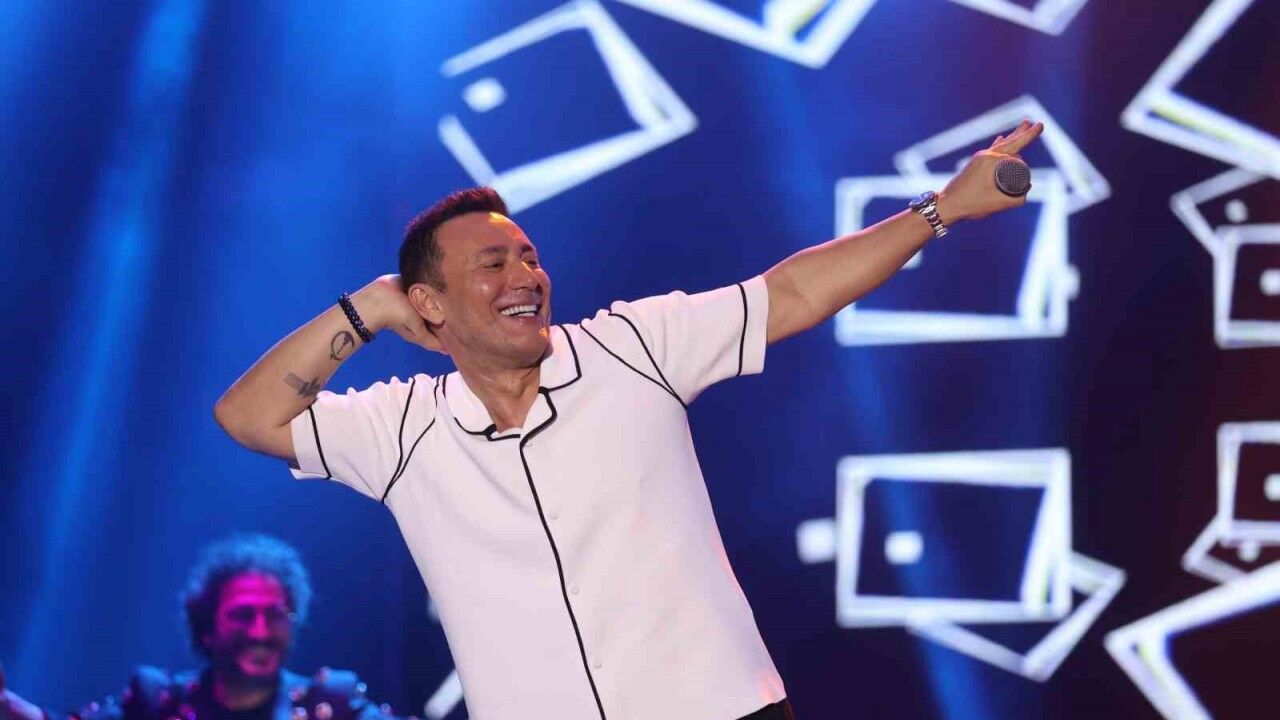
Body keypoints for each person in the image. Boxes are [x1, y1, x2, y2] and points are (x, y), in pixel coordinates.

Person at [214, 122, 1046, 719]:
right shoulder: (402, 427)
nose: (526, 275)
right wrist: (370, 306)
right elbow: (246, 415)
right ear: (429, 303)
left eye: (530, 257)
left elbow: (792, 292)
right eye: (493, 263)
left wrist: (941, 209)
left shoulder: (631, 346)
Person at [0, 534, 400, 720]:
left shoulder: (329, 705)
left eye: (276, 615)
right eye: (243, 615)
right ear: (207, 625)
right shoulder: (157, 704)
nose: (260, 631)